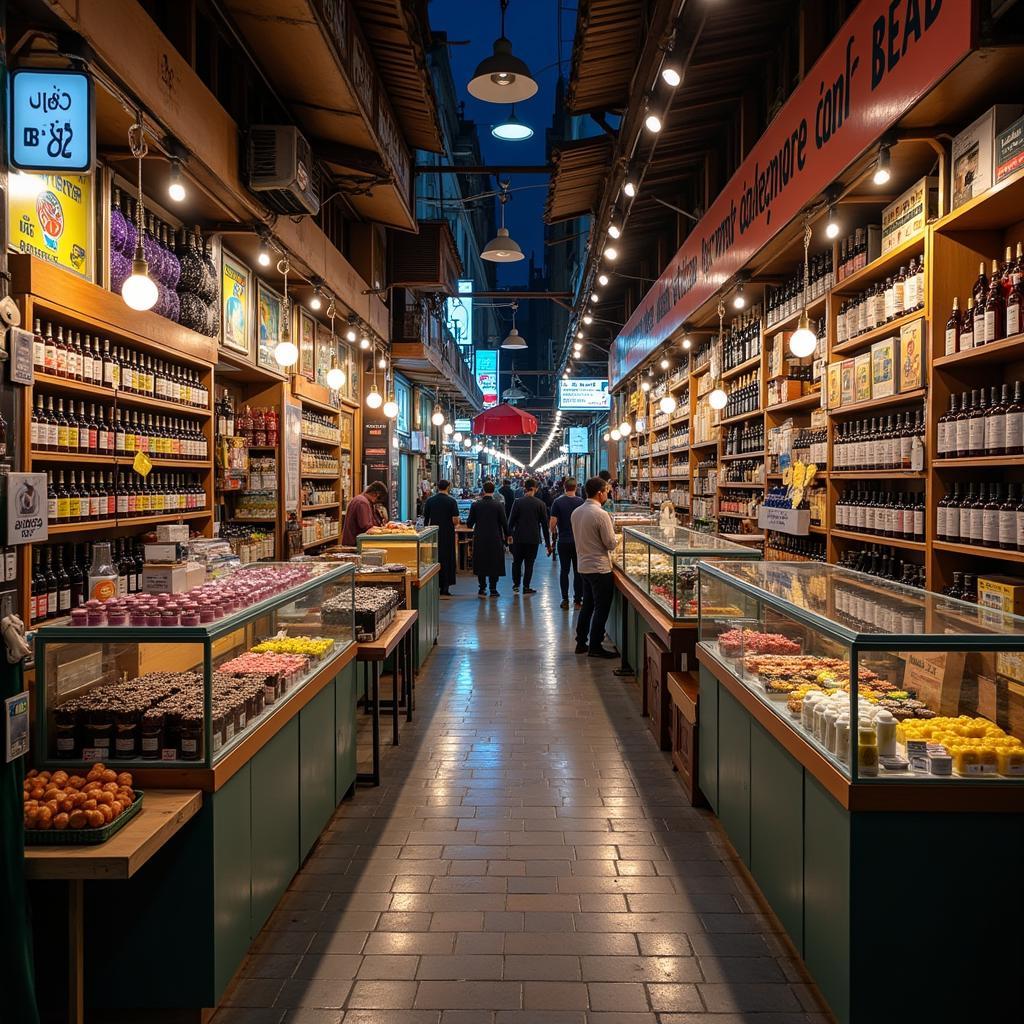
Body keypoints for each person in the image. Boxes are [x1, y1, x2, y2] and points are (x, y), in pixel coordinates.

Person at [571, 477, 618, 658]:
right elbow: (610, 543)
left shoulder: (576, 512)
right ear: (600, 493)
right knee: (601, 607)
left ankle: (581, 642)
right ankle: (596, 646)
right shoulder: (601, 514)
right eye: (606, 491)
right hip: (599, 568)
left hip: (583, 565)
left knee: (587, 605)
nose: (607, 493)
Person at [507, 478, 551, 594]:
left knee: (516, 562)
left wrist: (508, 536)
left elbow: (510, 522)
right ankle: (526, 587)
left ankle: (516, 585)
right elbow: (545, 526)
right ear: (534, 489)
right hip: (533, 538)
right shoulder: (541, 504)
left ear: (524, 488)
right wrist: (548, 544)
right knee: (529, 563)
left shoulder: (517, 502)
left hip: (518, 537)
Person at [466, 480, 508, 597]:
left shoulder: (475, 505)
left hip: (480, 537)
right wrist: (508, 535)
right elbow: (504, 523)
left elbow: (470, 523)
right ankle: (493, 589)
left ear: (483, 490)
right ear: (494, 490)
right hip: (495, 537)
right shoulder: (499, 505)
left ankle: (482, 588)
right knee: (494, 561)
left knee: (481, 561)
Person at [549, 477, 585, 609]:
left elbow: (552, 523)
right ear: (576, 487)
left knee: (564, 571)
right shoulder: (581, 502)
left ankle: (565, 600)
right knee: (578, 571)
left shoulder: (557, 502)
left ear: (564, 487)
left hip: (563, 541)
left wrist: (553, 532)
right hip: (578, 542)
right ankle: (577, 601)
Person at [422, 480, 459, 597]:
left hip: (433, 534)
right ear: (448, 487)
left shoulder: (430, 501)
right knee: (447, 558)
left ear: (437, 487)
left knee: (434, 558)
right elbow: (455, 520)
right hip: (447, 533)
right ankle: (445, 588)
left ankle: (434, 585)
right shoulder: (452, 501)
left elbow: (425, 519)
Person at [341, 480, 388, 546]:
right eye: (379, 499)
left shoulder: (362, 500)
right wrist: (384, 529)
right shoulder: (362, 502)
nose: (377, 502)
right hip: (355, 545)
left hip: (354, 543)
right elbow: (366, 527)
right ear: (376, 494)